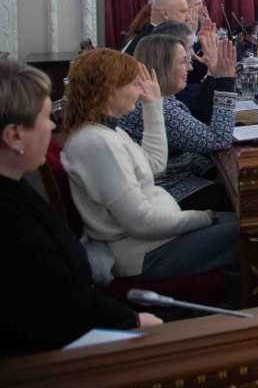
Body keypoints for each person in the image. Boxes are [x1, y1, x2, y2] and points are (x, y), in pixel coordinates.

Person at [0, 59, 163, 355]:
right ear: (14, 136)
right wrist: (132, 321)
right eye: (46, 117)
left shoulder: (16, 186)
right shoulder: (11, 219)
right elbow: (57, 303)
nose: (53, 126)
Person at [58, 49, 240, 291]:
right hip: (145, 252)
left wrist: (152, 106)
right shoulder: (97, 143)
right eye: (134, 84)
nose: (139, 91)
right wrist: (202, 217)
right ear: (110, 90)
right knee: (250, 230)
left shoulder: (108, 132)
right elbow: (141, 222)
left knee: (242, 220)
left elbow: (154, 164)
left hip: (157, 238)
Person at [120, 34, 237, 211]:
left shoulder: (157, 97)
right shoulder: (160, 107)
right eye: (183, 62)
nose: (190, 68)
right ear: (163, 67)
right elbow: (220, 139)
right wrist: (226, 82)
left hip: (177, 175)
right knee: (240, 196)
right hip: (165, 192)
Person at [152, 20, 224, 124]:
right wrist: (216, 72)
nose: (193, 54)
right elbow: (203, 115)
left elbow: (193, 86)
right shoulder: (167, 101)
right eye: (190, 47)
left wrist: (211, 68)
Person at [122, 0, 190, 55]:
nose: (188, 18)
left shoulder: (151, 37)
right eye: (182, 11)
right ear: (165, 14)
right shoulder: (153, 43)